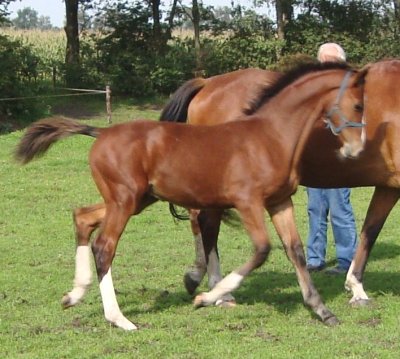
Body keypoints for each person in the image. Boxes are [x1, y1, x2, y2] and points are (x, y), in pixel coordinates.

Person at [306, 42, 358, 275]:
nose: (327, 65)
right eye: (324, 61)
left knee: (339, 209)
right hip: (316, 161)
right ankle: (314, 259)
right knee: (315, 208)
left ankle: (347, 261)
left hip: (339, 160)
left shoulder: (348, 90)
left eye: (332, 61)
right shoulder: (312, 90)